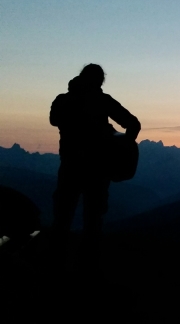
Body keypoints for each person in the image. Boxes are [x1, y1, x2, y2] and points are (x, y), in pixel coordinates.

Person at [49, 63, 140, 271]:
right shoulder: (103, 101)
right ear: (99, 81)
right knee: (93, 220)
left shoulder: (63, 100)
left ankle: (54, 268)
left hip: (71, 168)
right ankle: (87, 270)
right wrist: (123, 146)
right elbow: (133, 124)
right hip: (98, 171)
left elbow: (54, 120)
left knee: (63, 218)